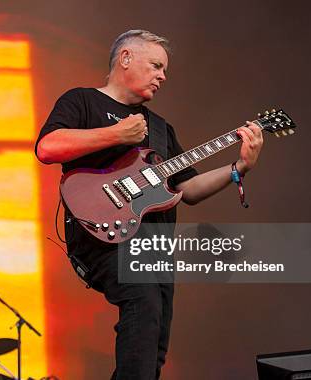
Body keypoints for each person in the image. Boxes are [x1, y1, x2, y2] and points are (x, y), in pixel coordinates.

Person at [35, 29, 263, 379]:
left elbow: (188, 188)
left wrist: (238, 168)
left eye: (165, 70)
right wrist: (115, 134)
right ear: (125, 58)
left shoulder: (159, 128)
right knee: (143, 305)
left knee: (153, 339)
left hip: (153, 246)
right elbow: (47, 148)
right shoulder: (82, 100)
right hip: (102, 232)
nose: (163, 76)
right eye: (156, 65)